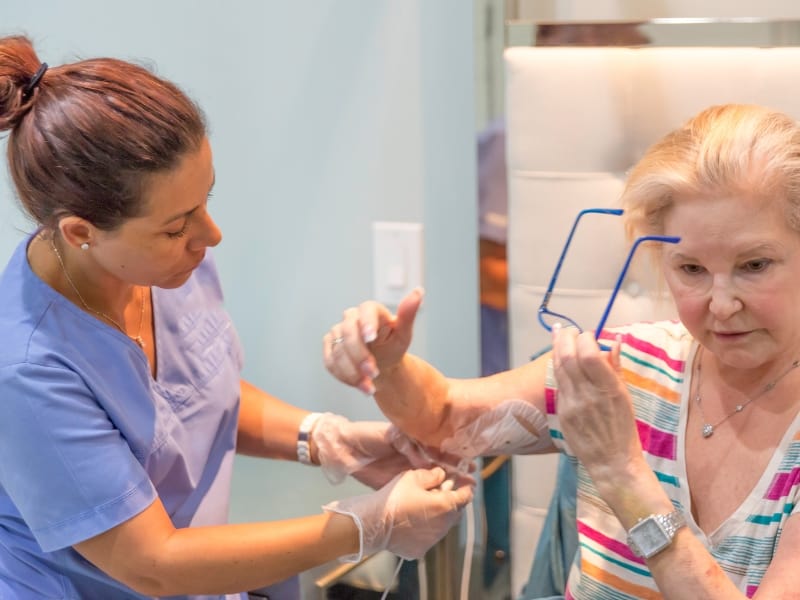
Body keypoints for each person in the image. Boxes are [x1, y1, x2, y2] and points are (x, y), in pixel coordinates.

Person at [0, 35, 474, 599]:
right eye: (178, 225)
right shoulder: (27, 370)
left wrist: (323, 437)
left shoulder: (166, 264)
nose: (210, 236)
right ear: (81, 233)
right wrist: (367, 525)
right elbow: (151, 564)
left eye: (206, 201)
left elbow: (190, 394)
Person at [324, 103, 800, 598]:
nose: (721, 305)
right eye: (691, 270)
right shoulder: (630, 367)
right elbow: (443, 416)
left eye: (755, 265)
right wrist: (389, 365)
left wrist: (622, 472)